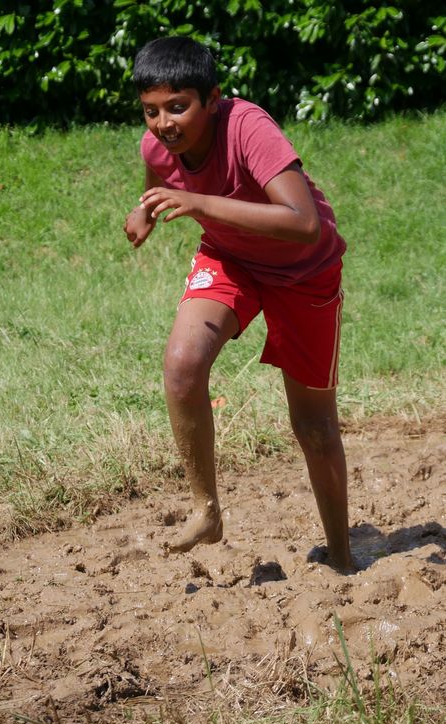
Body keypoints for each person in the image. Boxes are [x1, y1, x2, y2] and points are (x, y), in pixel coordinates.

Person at [124, 36, 354, 573]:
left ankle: (342, 558)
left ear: (213, 99)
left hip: (306, 272)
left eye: (177, 107)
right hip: (231, 258)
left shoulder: (248, 127)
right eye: (151, 111)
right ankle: (206, 510)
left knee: (313, 426)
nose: (163, 124)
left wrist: (200, 203)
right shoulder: (157, 144)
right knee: (182, 364)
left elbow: (303, 223)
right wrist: (145, 212)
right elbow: (159, 175)